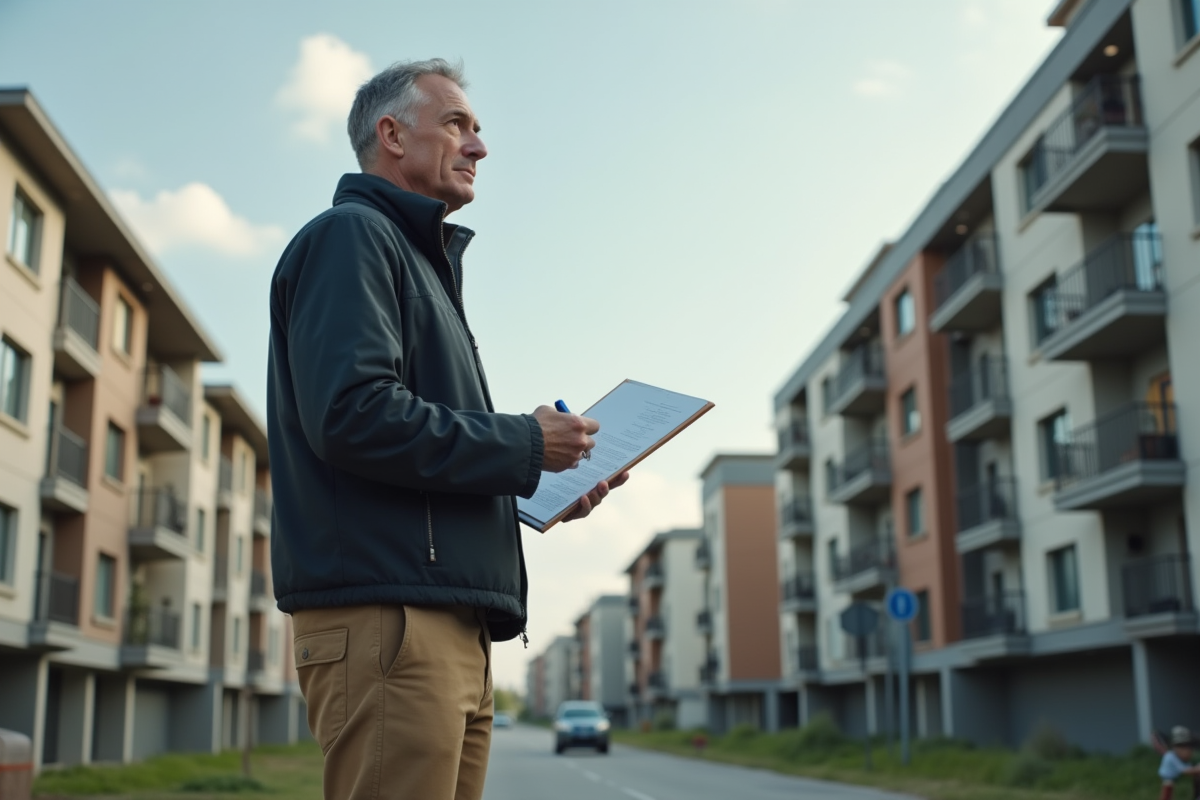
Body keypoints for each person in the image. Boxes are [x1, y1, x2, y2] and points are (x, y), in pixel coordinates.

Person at [266, 58, 627, 800]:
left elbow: (419, 465)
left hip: (447, 625)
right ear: (391, 134)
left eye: (478, 128)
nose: (479, 146)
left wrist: (544, 485)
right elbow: (353, 417)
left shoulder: (418, 263)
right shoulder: (351, 237)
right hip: (393, 625)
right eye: (458, 124)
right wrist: (527, 444)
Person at [1158, 726, 1200, 800]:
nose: (1190, 751)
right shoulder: (1170, 757)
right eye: (1188, 748)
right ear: (1177, 748)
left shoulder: (1181, 759)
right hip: (1168, 781)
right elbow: (1185, 770)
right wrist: (1197, 769)